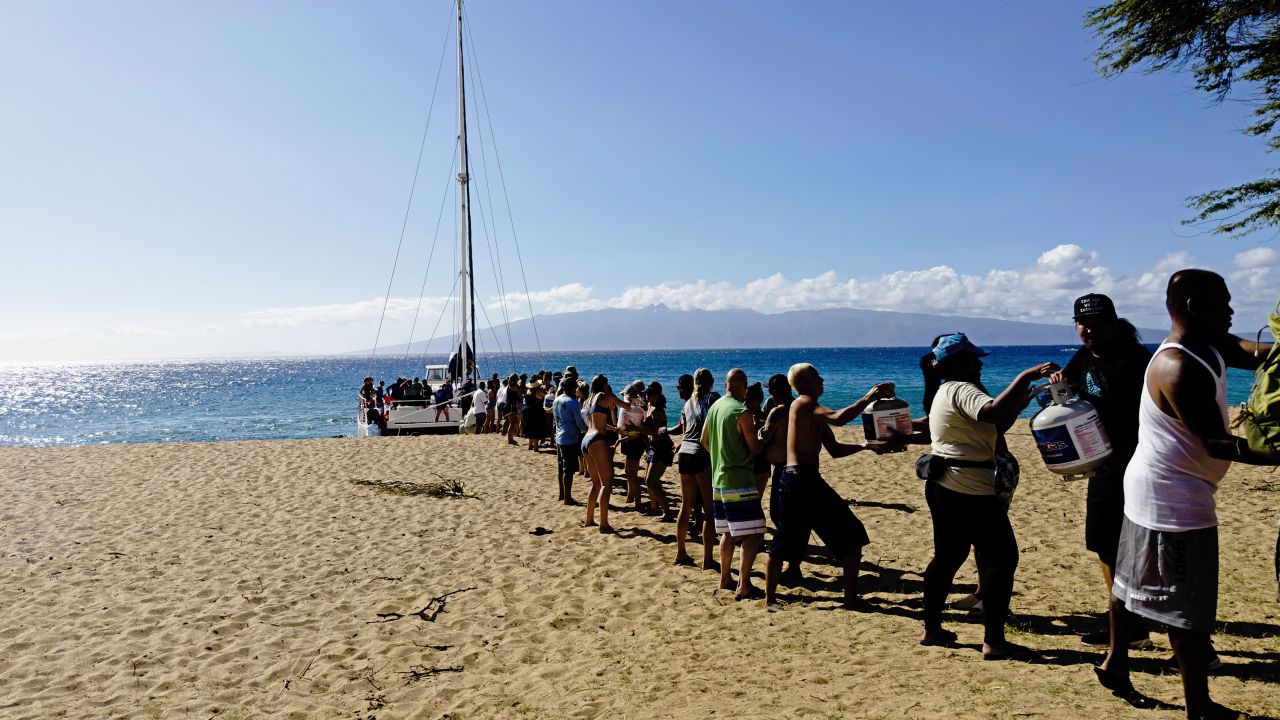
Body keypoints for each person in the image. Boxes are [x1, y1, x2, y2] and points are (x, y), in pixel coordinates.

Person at [1096, 270, 1274, 719]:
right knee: (1187, 605)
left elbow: (1256, 354)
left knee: (1127, 580)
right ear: (1194, 306)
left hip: (1155, 486)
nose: (1233, 312)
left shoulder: (1210, 344)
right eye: (1225, 303)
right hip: (1173, 497)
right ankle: (1199, 705)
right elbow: (1216, 442)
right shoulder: (1176, 365)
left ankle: (1116, 664)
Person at [917, 332, 1057, 660]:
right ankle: (994, 640)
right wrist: (1025, 377)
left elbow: (996, 423)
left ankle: (932, 628)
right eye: (973, 359)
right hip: (970, 487)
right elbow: (993, 412)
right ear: (958, 363)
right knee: (1001, 558)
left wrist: (1023, 397)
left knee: (948, 557)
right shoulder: (964, 389)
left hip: (943, 484)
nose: (979, 364)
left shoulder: (945, 390)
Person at [1046, 294, 1154, 649]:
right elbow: (1069, 402)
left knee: (1144, 548)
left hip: (1138, 464)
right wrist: (1057, 391)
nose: (1090, 329)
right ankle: (1125, 624)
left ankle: (1139, 622)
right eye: (1083, 323)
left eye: (1098, 322)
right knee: (1105, 545)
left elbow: (1155, 416)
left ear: (1114, 321)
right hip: (1102, 469)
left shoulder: (1137, 359)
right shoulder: (1083, 357)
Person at [763, 366, 896, 611]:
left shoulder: (810, 412)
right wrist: (869, 397)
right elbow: (840, 418)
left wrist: (865, 445)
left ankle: (772, 600)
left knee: (786, 541)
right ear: (804, 382)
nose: (823, 380)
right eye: (817, 377)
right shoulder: (803, 403)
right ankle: (845, 600)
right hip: (802, 480)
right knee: (849, 536)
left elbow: (834, 450)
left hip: (798, 480)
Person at [702, 368, 766, 600]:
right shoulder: (742, 412)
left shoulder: (715, 407)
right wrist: (764, 436)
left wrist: (720, 456)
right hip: (739, 479)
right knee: (754, 533)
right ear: (742, 385)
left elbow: (704, 440)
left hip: (718, 479)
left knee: (728, 532)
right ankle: (744, 584)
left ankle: (725, 578)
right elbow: (755, 448)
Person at [672, 370, 719, 569]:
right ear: (711, 383)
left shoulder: (687, 403)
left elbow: (684, 431)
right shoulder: (712, 398)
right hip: (701, 453)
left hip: (685, 453)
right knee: (709, 510)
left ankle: (681, 552)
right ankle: (707, 559)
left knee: (686, 505)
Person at [759, 373, 800, 581]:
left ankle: (789, 564)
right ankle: (794, 564)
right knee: (795, 517)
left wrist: (759, 434)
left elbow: (765, 439)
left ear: (775, 393)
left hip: (783, 469)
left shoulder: (777, 412)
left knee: (779, 516)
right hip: (801, 466)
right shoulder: (798, 407)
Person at [581, 375, 630, 534]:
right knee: (606, 483)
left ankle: (589, 520)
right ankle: (604, 523)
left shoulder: (587, 401)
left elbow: (596, 422)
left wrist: (615, 429)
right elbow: (626, 406)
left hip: (586, 440)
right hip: (597, 440)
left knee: (595, 484)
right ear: (604, 385)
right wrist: (627, 398)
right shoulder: (605, 395)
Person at [642, 381, 675, 521]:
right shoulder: (649, 406)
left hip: (662, 447)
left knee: (651, 481)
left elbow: (656, 433)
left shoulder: (658, 411)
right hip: (653, 447)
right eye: (646, 394)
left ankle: (667, 512)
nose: (646, 396)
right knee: (648, 480)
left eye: (649, 394)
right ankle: (655, 508)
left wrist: (637, 430)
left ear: (656, 395)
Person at [554, 378, 589, 505]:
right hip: (569, 438)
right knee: (568, 470)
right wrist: (588, 429)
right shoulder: (573, 402)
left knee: (561, 468)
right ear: (573, 388)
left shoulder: (557, 399)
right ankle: (568, 498)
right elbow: (579, 423)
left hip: (559, 436)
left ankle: (562, 494)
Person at [617, 381, 650, 511]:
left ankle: (638, 502)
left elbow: (625, 427)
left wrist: (622, 435)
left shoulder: (630, 409)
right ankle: (631, 497)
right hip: (633, 440)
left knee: (632, 475)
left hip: (633, 441)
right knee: (628, 472)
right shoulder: (641, 407)